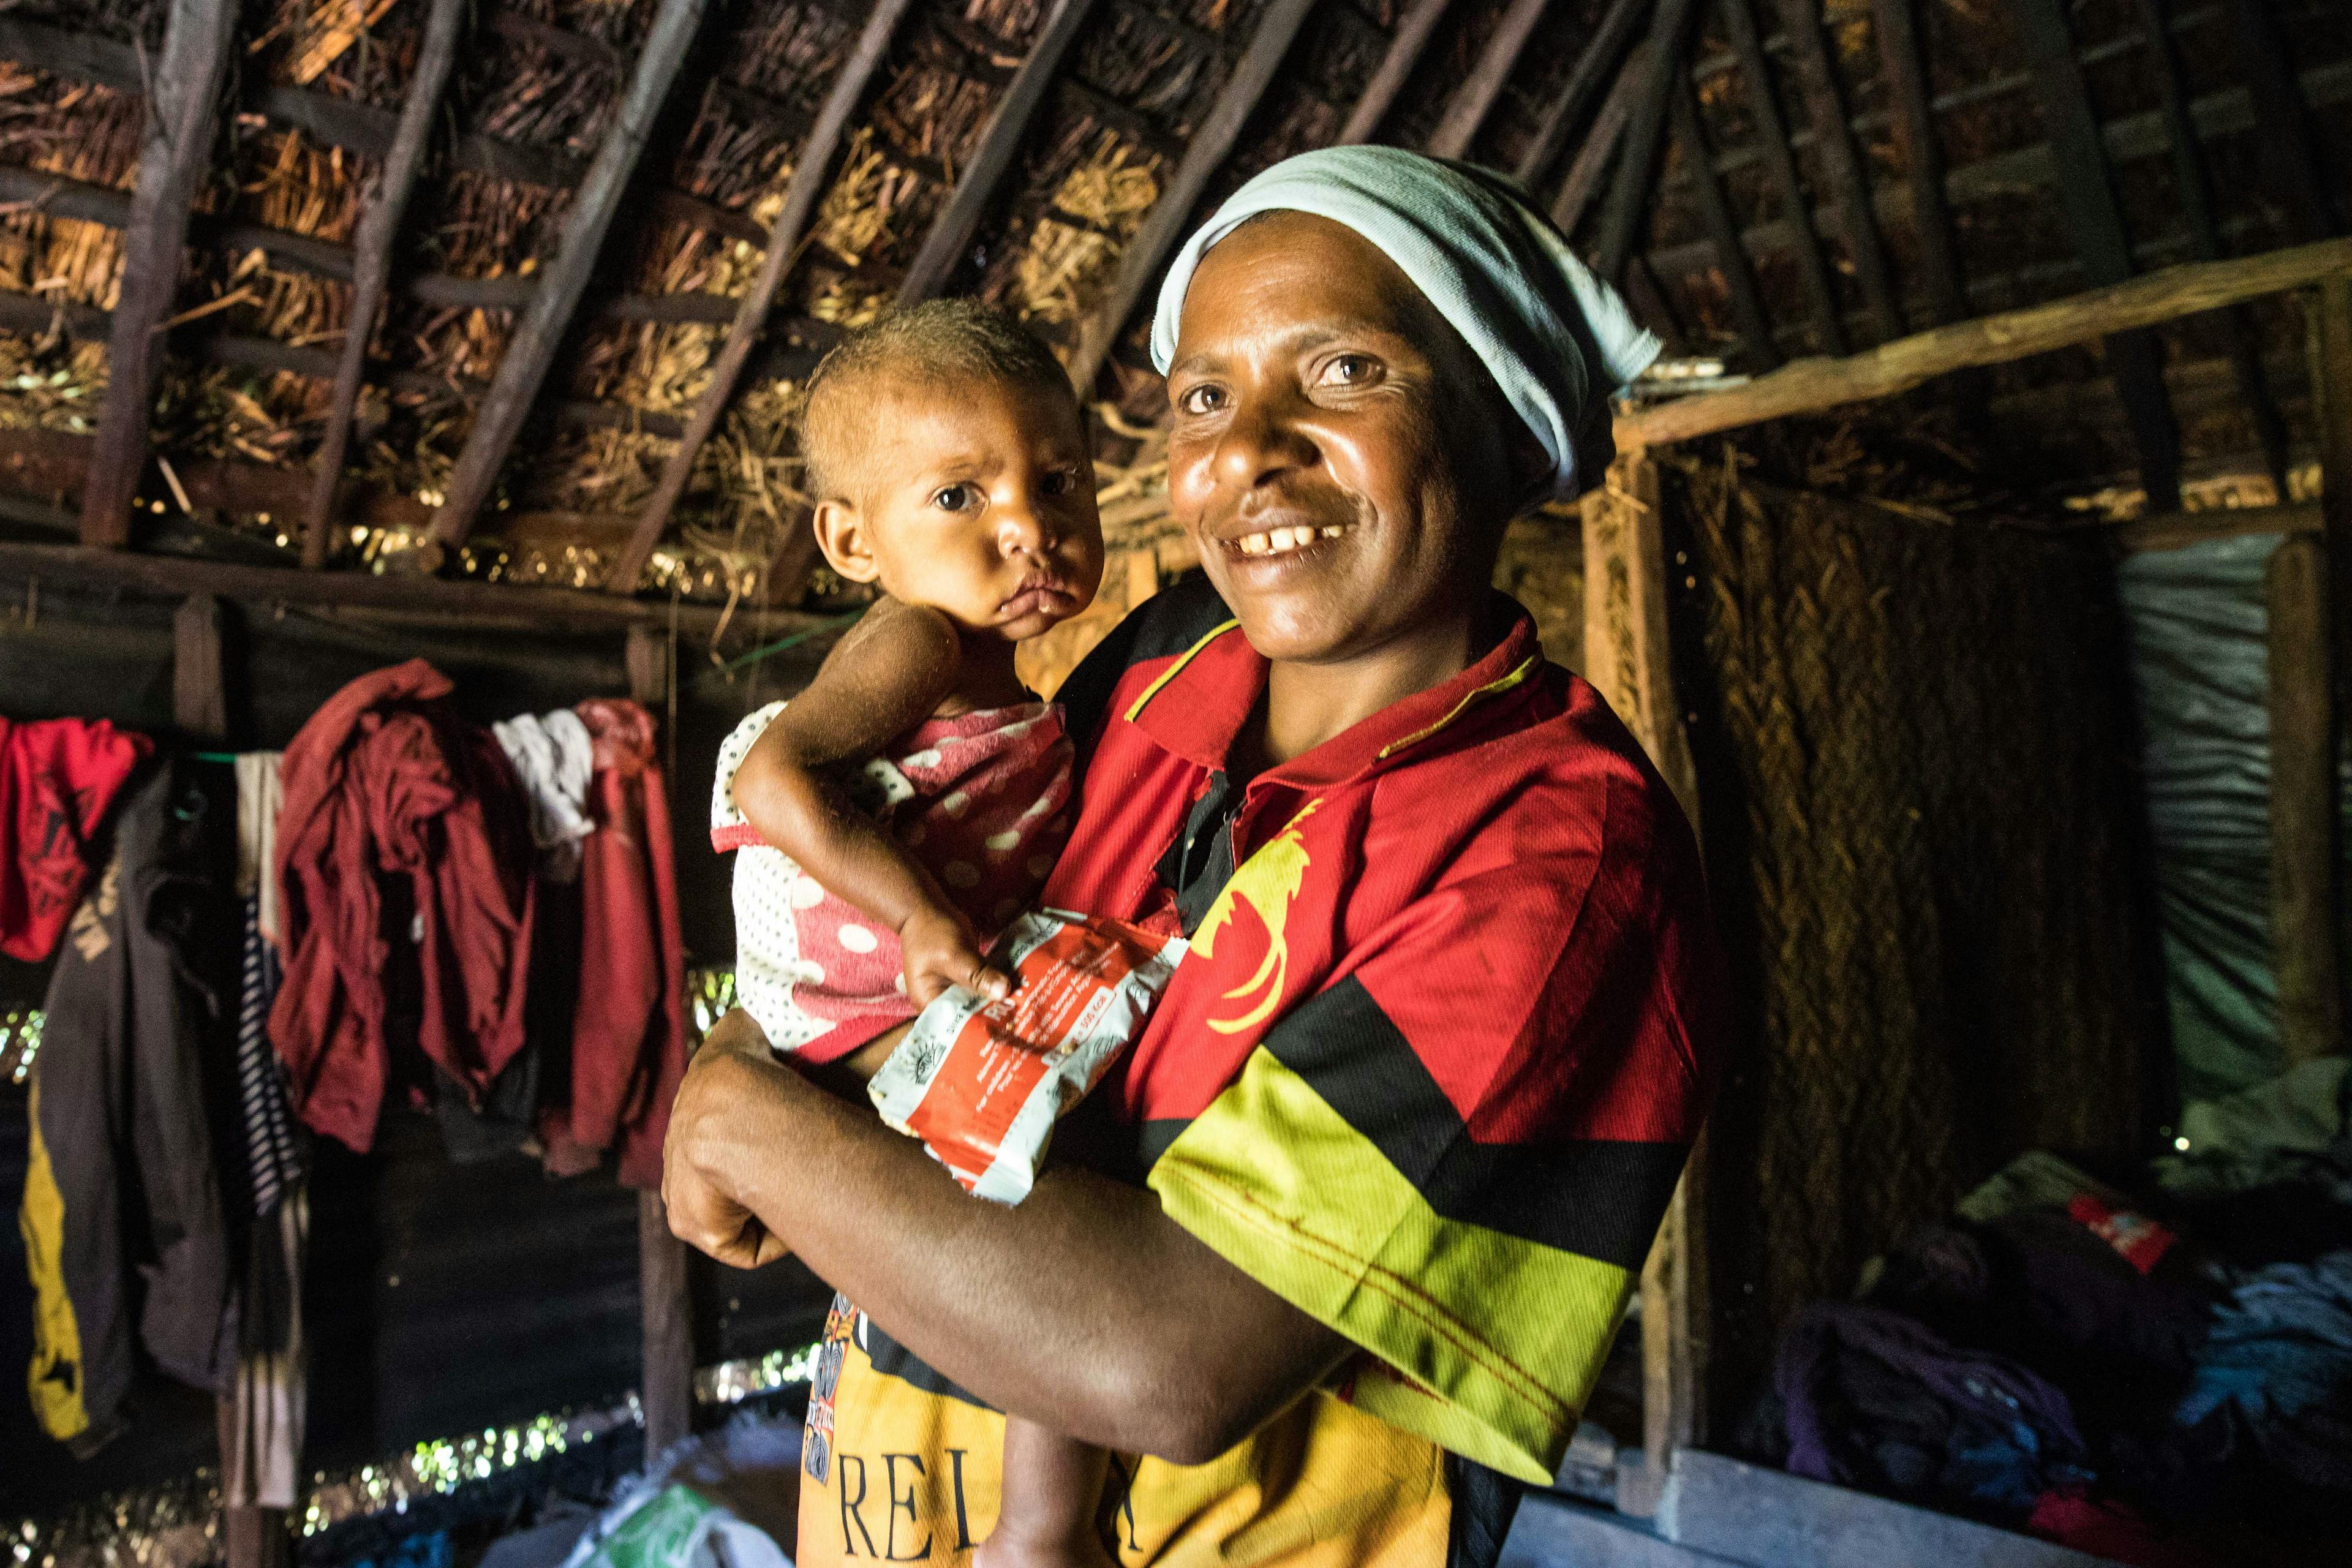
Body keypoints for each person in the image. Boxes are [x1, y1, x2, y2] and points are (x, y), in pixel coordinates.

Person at [666, 148, 1730, 1568]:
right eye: (1207, 398)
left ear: (1495, 422)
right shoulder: (1164, 668)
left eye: (1345, 370)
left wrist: (739, 1117)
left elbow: (1169, 1362)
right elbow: (916, 910)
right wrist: (747, 1043)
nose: (1239, 452)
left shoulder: (1556, 851)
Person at [714, 299, 1115, 1567]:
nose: (1029, 525)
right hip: (869, 1014)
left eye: (1059, 480)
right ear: (850, 536)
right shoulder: (918, 642)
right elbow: (776, 781)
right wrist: (919, 914)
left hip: (889, 1030)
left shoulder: (1017, 690)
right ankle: (1041, 1533)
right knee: (1074, 1192)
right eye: (961, 494)